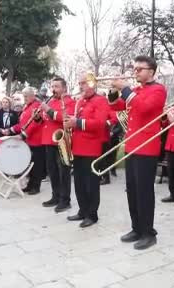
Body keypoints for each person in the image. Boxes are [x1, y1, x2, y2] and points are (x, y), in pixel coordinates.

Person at [109, 55, 167, 250]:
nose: (135, 72)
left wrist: (124, 88)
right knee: (132, 190)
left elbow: (143, 107)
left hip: (147, 147)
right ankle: (136, 228)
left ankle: (148, 232)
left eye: (139, 69)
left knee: (144, 192)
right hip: (132, 146)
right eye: (134, 69)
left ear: (151, 71)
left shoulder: (158, 90)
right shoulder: (136, 90)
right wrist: (114, 90)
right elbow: (116, 106)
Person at [64, 73, 109, 228]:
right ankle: (82, 210)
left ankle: (92, 215)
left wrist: (77, 122)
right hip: (78, 147)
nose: (81, 86)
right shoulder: (80, 101)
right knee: (79, 182)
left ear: (92, 84)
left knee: (91, 183)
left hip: (91, 148)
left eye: (84, 83)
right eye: (80, 83)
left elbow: (99, 123)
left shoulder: (101, 100)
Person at [40, 77, 76, 213]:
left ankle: (65, 200)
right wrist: (38, 117)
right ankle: (55, 196)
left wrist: (48, 110)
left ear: (64, 88)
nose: (53, 89)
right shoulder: (51, 100)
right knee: (52, 171)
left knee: (63, 172)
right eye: (52, 86)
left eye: (56, 86)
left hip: (62, 141)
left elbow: (66, 118)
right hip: (49, 140)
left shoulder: (69, 101)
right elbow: (45, 121)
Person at [10, 88, 46, 194]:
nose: (24, 98)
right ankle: (30, 185)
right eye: (24, 96)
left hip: (37, 140)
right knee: (30, 164)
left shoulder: (37, 105)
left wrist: (24, 135)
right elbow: (23, 123)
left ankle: (36, 187)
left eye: (26, 96)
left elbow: (35, 123)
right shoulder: (27, 106)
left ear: (33, 95)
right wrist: (12, 129)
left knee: (37, 165)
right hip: (29, 140)